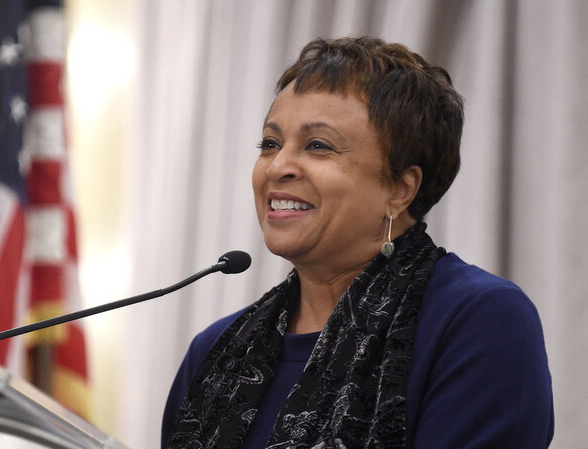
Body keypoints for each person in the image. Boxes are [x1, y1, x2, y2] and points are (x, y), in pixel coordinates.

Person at [161, 36, 554, 448]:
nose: (277, 167)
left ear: (400, 189)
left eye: (318, 146)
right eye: (270, 144)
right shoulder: (216, 350)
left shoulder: (480, 320)